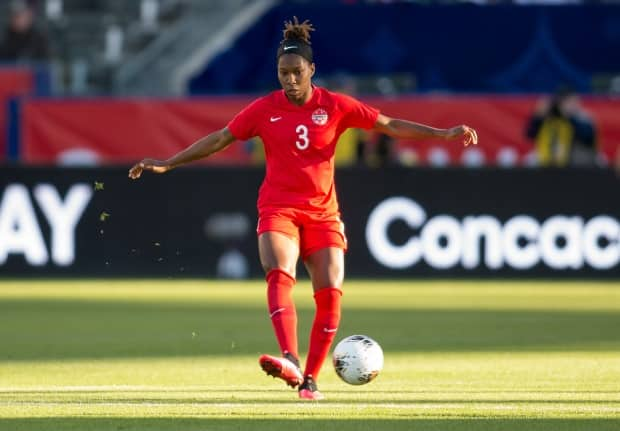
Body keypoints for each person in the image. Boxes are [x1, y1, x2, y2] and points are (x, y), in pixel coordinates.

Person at [128, 17, 477, 400]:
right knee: (279, 272)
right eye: (283, 73)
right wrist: (168, 162)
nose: (290, 80)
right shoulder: (264, 109)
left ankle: (309, 380)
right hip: (278, 209)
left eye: (297, 72)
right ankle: (290, 358)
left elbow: (389, 124)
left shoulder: (337, 105)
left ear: (312, 69)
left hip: (324, 214)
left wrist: (442, 133)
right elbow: (220, 139)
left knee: (330, 292)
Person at [525, 88, 597, 167]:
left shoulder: (583, 116)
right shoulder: (549, 117)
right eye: (566, 102)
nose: (571, 105)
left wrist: (570, 117)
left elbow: (587, 138)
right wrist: (538, 117)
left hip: (575, 160)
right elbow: (529, 134)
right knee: (530, 160)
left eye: (573, 102)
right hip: (546, 159)